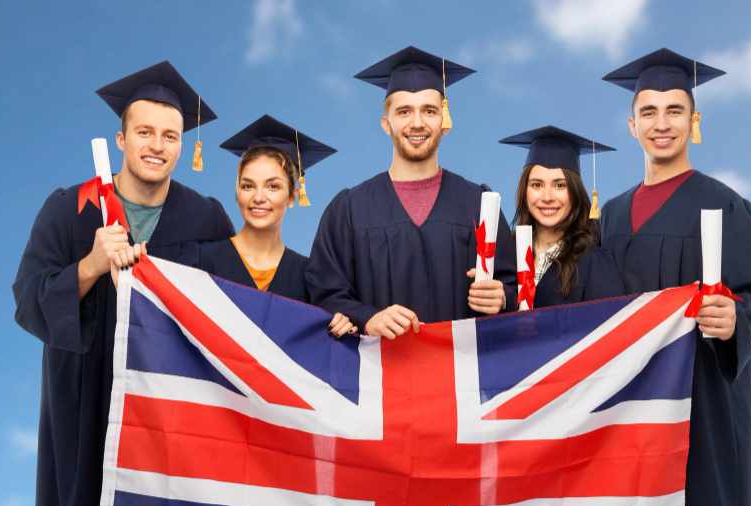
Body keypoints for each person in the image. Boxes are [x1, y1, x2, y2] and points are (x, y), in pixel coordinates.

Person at [12, 60, 234, 506]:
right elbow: (28, 299)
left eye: (170, 135)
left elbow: (236, 315)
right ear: (121, 139)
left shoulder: (205, 216)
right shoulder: (71, 209)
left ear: (183, 144)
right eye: (145, 132)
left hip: (173, 426)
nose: (156, 146)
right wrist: (90, 263)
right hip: (86, 417)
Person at [599, 48, 751, 506]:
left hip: (701, 405)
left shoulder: (725, 204)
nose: (661, 123)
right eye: (648, 112)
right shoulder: (612, 216)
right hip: (623, 412)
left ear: (693, 122)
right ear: (631, 126)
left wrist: (736, 317)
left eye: (674, 110)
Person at [306, 46, 516, 338]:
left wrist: (503, 296)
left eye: (429, 111)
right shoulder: (349, 210)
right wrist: (368, 318)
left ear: (443, 121)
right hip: (380, 378)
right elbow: (324, 294)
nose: (417, 123)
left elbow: (516, 287)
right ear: (385, 123)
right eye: (404, 111)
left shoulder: (479, 204)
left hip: (461, 378)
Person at [196, 114, 355, 336]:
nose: (258, 197)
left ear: (292, 196)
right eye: (248, 186)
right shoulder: (202, 261)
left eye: (272, 186)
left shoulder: (309, 276)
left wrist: (340, 326)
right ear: (237, 192)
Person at [499, 125, 623, 306]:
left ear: (575, 192)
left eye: (559, 185)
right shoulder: (506, 254)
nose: (547, 197)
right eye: (537, 185)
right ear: (524, 192)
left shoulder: (593, 262)